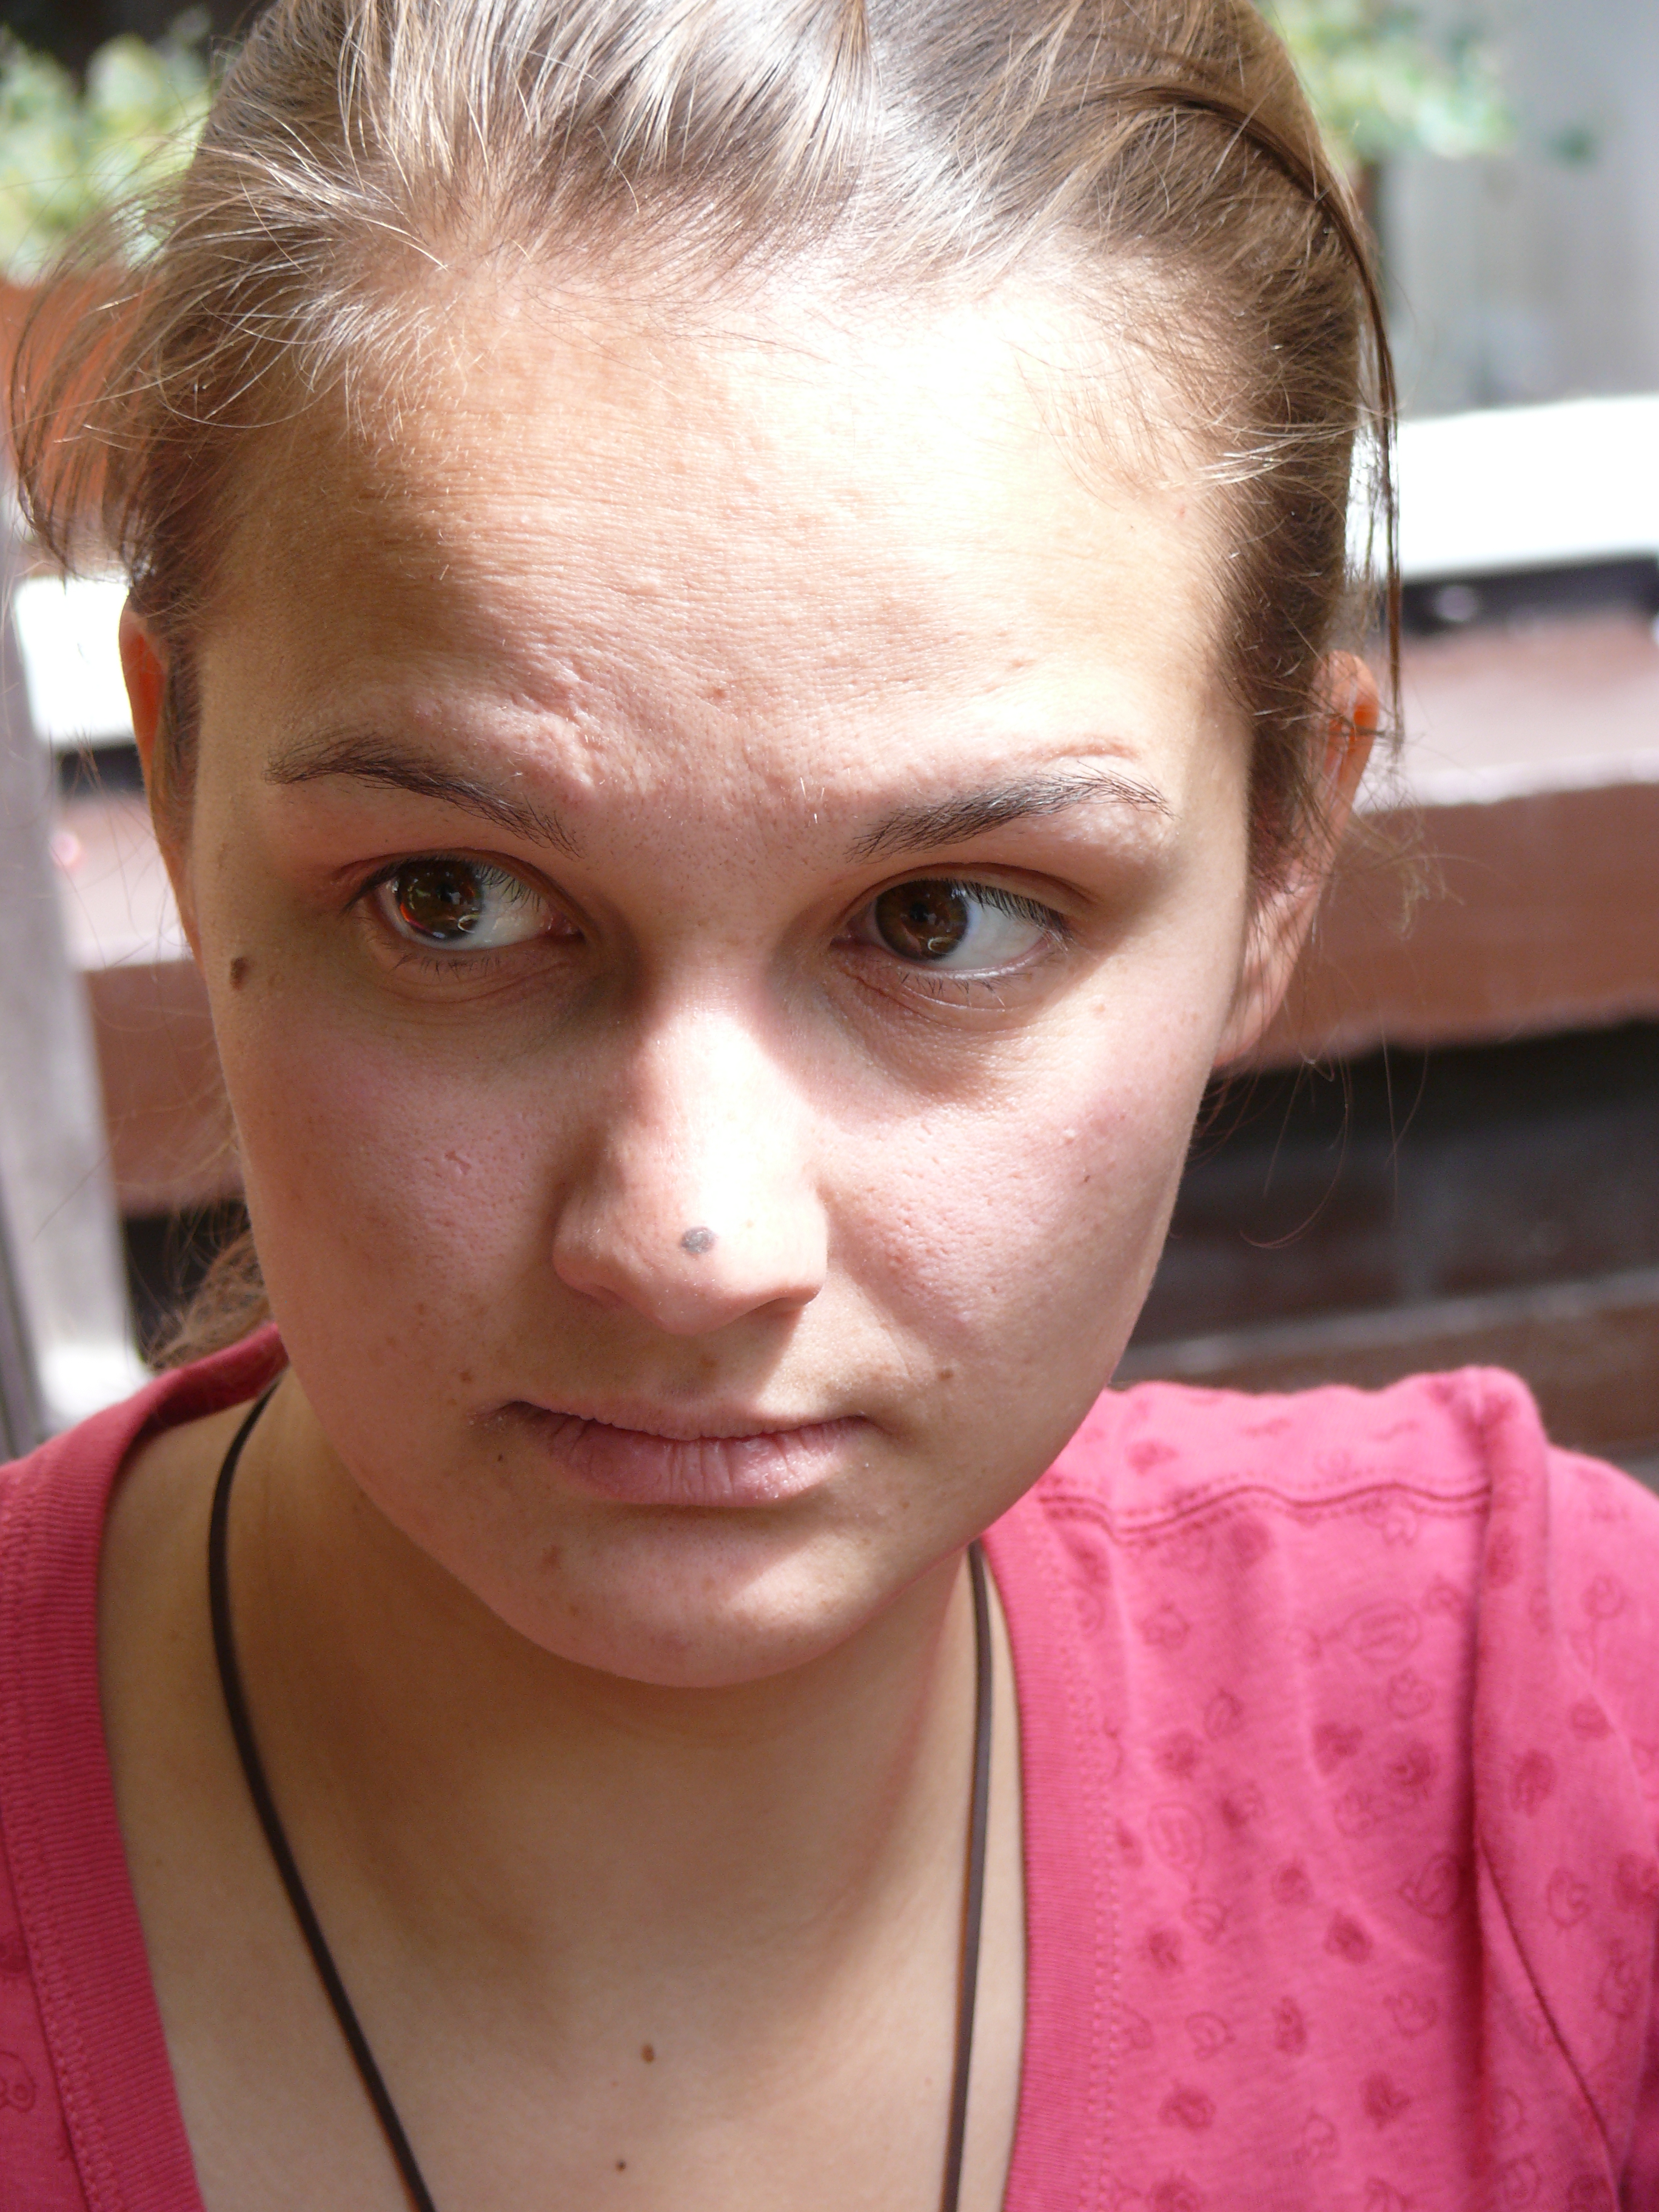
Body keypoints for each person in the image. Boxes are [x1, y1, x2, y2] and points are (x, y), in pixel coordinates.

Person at [1, 0, 1655, 2205]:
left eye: (943, 921)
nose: (690, 1245)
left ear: (1281, 864)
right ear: (177, 778)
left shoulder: (1548, 1766)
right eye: (452, 898)